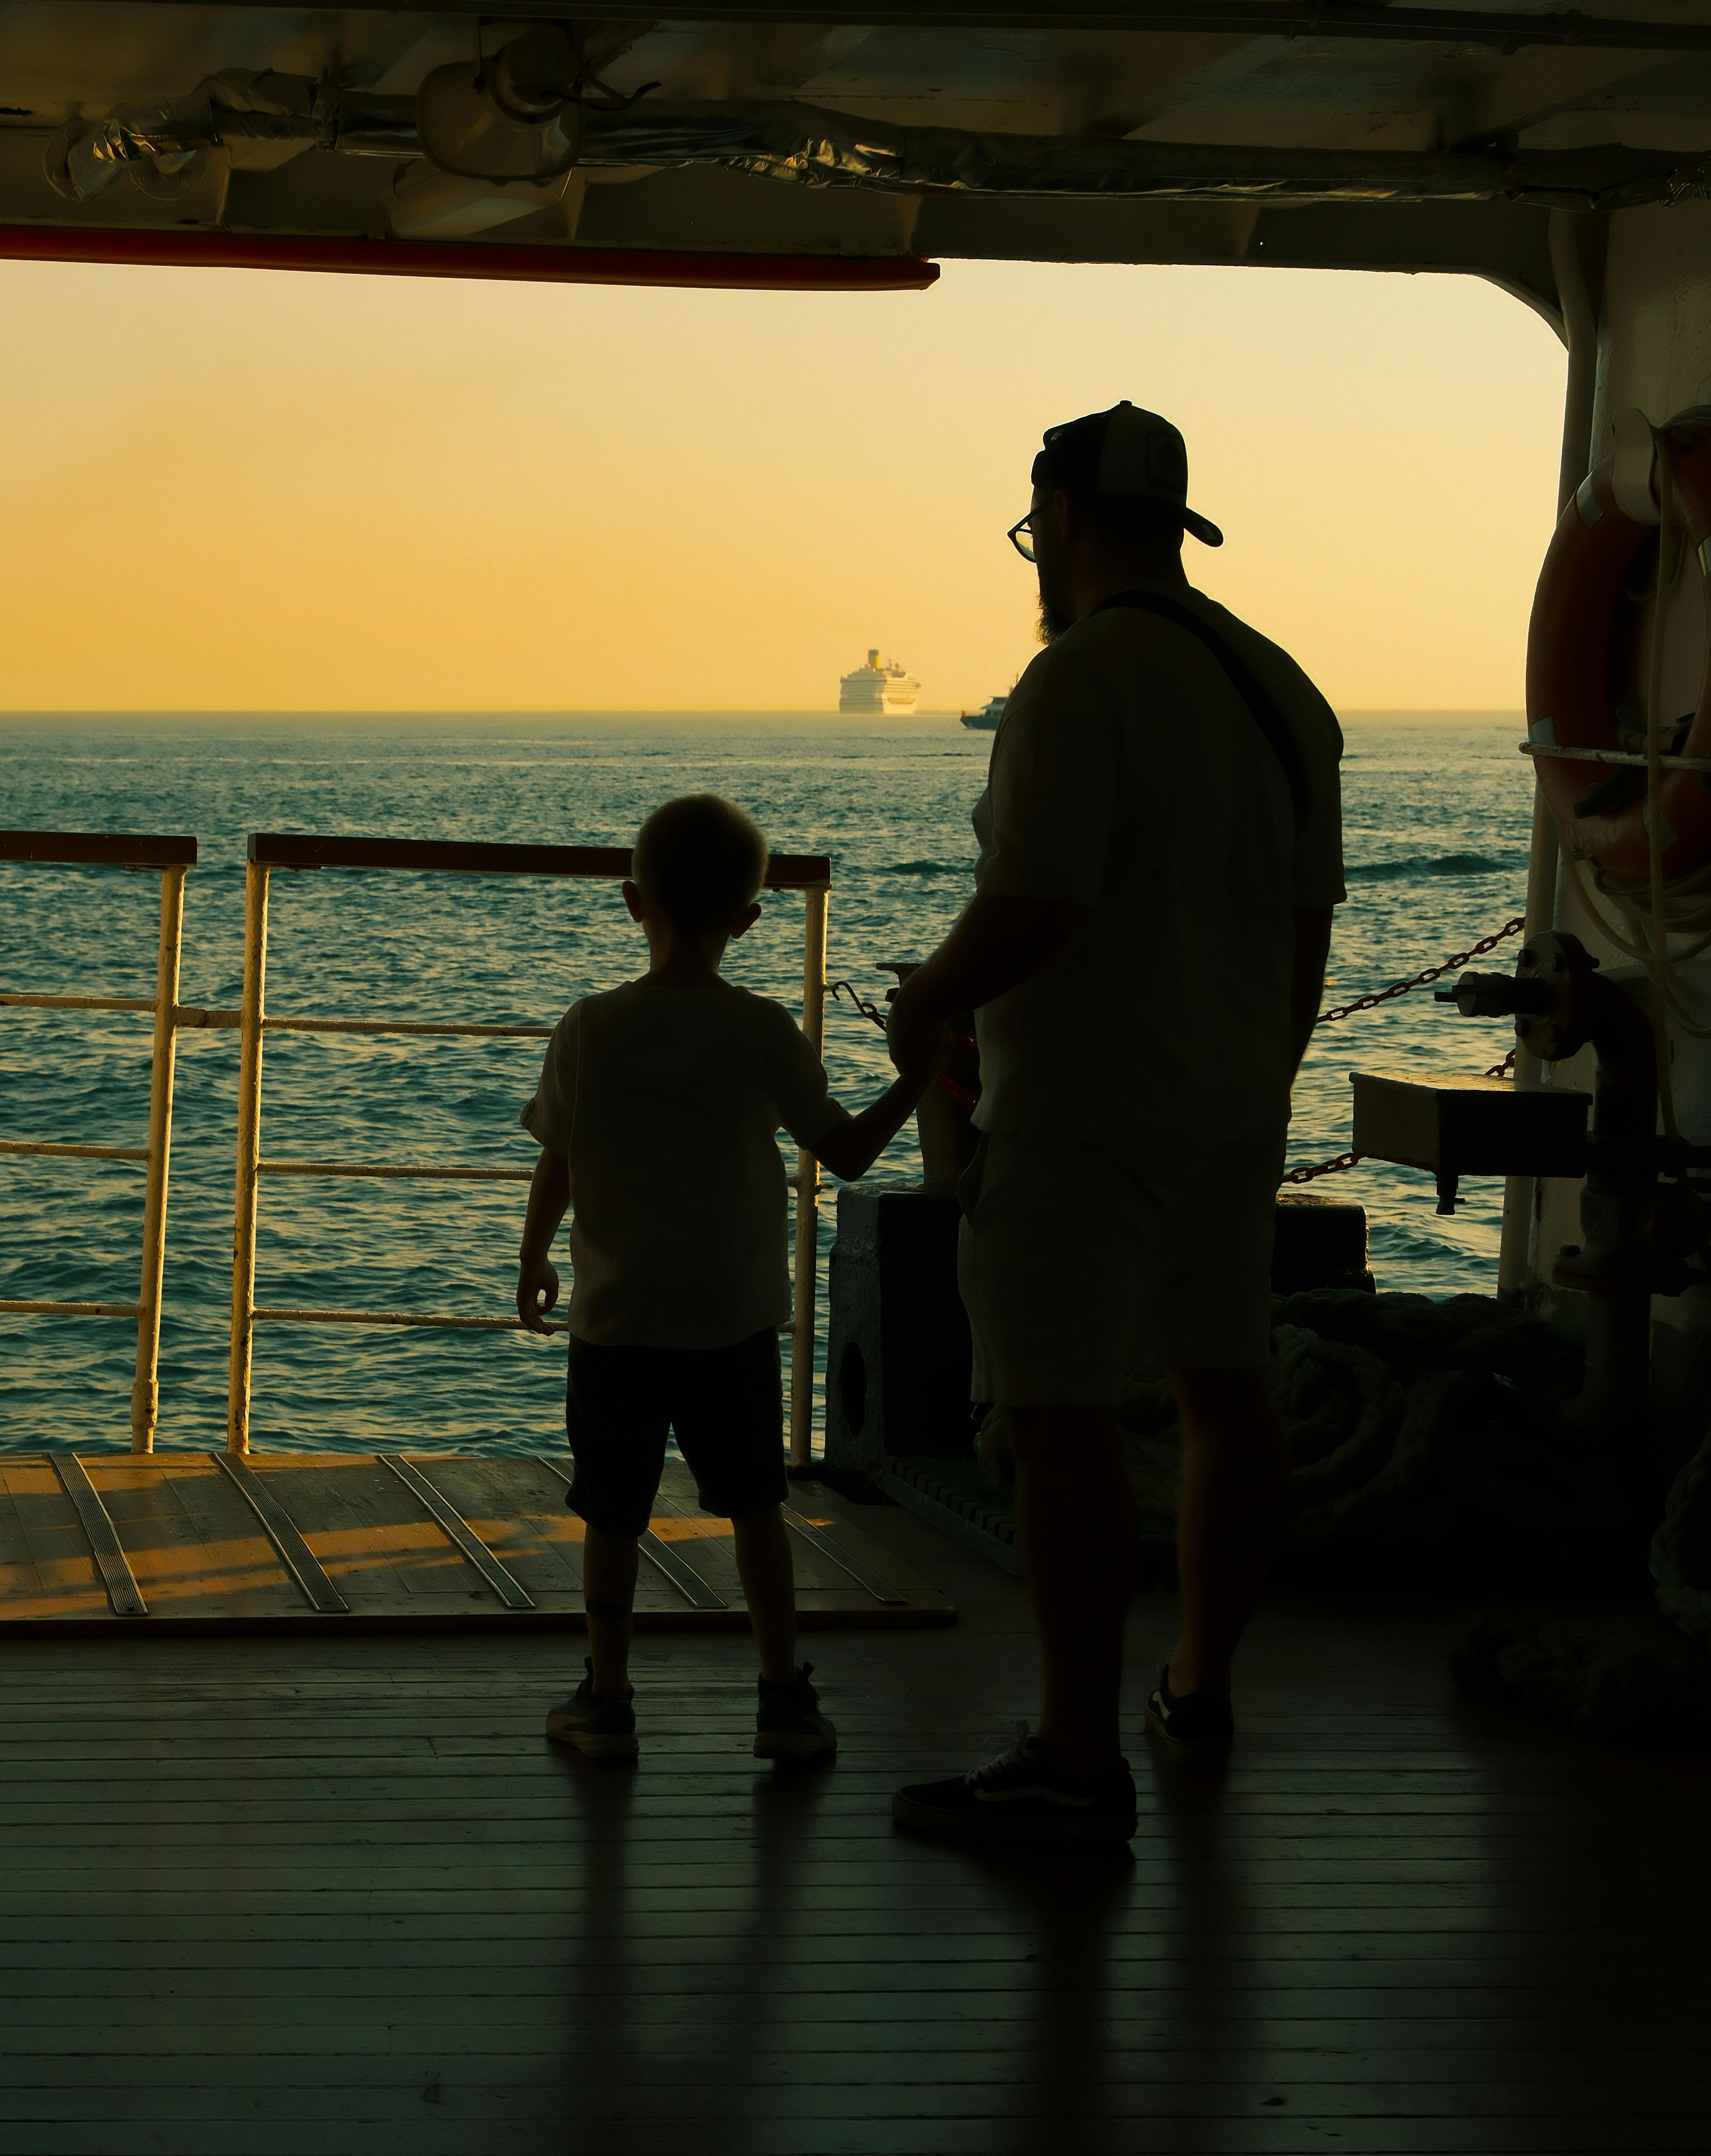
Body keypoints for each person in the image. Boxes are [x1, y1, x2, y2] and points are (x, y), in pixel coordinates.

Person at [883, 401, 1344, 1848]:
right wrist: (1262, 1074)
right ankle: (1198, 1684)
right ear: (1178, 524)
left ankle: (1076, 1758)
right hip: (1231, 1102)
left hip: (1082, 1113)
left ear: (1060, 519)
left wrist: (924, 1000)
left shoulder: (1073, 684)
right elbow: (1306, 928)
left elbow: (1034, 908)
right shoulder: (1281, 685)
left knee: (1057, 1420)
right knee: (1227, 1388)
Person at [518, 795, 921, 1765]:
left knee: (612, 1513)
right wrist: (918, 1075)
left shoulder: (591, 1025)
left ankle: (608, 1698)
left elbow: (558, 1159)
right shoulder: (762, 1028)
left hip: (616, 1319)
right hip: (733, 1318)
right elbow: (850, 1152)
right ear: (749, 918)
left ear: (631, 902)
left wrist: (533, 1254)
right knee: (755, 1509)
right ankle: (783, 1697)